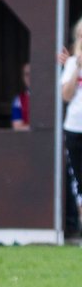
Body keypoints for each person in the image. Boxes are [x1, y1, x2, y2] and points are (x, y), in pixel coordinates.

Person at [61, 19, 82, 237]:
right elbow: (65, 96)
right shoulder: (71, 64)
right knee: (79, 180)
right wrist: (76, 67)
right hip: (75, 128)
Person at [11, 61, 31, 131]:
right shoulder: (19, 99)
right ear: (23, 77)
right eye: (27, 74)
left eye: (32, 73)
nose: (30, 77)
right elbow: (17, 127)